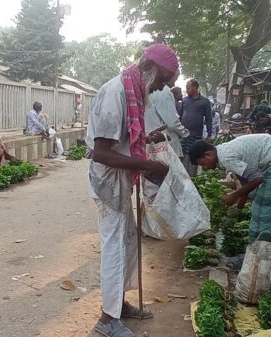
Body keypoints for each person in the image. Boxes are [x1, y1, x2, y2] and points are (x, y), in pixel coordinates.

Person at [86, 43, 179, 337]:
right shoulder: (117, 92)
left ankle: (118, 305)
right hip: (108, 181)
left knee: (128, 242)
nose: (161, 88)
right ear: (149, 68)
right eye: (163, 80)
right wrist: (148, 166)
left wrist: (146, 141)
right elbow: (101, 152)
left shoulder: (134, 90)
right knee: (114, 247)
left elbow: (125, 138)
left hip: (121, 179)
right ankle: (106, 320)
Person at [189, 134, 271, 247]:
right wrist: (238, 210)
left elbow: (257, 179)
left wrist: (234, 195)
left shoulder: (226, 157)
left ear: (208, 154)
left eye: (203, 164)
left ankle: (265, 246)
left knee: (265, 208)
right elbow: (245, 182)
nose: (205, 168)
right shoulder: (224, 151)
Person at [145, 71, 189, 158]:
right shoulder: (164, 91)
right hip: (167, 143)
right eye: (175, 78)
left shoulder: (148, 90)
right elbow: (172, 122)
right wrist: (185, 133)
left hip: (151, 141)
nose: (174, 82)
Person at [179, 80, 212, 176]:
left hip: (196, 135)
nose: (186, 90)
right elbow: (179, 116)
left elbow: (209, 119)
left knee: (193, 156)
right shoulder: (184, 100)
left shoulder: (205, 102)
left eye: (188, 87)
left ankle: (192, 179)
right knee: (183, 156)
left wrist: (209, 134)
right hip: (183, 135)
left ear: (194, 87)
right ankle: (183, 177)